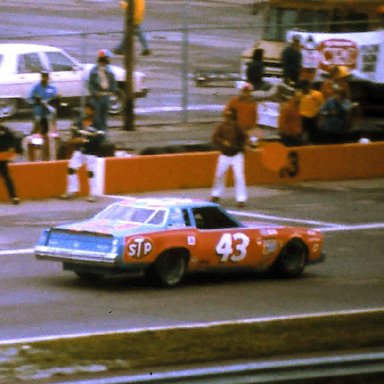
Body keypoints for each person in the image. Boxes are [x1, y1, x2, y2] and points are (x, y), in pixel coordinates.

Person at [60, 103, 105, 202]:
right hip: (79, 150)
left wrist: (87, 141)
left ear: (93, 111)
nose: (86, 111)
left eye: (88, 109)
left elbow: (100, 138)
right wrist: (75, 139)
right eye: (85, 109)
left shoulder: (98, 123)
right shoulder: (79, 123)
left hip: (91, 151)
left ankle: (93, 194)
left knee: (91, 173)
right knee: (71, 169)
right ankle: (72, 191)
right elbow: (74, 134)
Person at [210, 109, 248, 208]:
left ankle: (241, 199)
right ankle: (216, 194)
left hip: (236, 155)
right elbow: (214, 137)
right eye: (226, 117)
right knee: (219, 175)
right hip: (224, 155)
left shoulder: (238, 127)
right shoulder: (221, 127)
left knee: (239, 177)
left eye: (229, 117)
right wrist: (223, 142)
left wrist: (240, 147)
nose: (228, 119)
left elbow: (244, 139)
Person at [88, 49, 117, 132]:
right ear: (105, 58)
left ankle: (103, 135)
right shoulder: (94, 71)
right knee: (96, 118)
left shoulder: (109, 70)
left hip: (106, 96)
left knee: (104, 117)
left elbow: (112, 82)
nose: (110, 60)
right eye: (108, 58)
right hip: (97, 97)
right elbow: (91, 84)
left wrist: (112, 91)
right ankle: (97, 135)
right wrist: (94, 93)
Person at [0, 116, 20, 205]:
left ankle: (14, 196)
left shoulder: (5, 130)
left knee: (7, 177)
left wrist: (12, 147)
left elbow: (13, 139)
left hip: (2, 158)